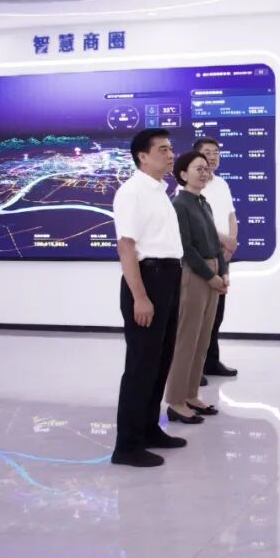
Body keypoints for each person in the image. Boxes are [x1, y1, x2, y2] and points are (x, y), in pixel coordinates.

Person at [111, 129, 187, 467]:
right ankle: (127, 446)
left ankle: (149, 429)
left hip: (168, 277)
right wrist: (140, 297)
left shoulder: (160, 192)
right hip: (148, 280)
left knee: (160, 361)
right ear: (142, 156)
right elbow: (126, 247)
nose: (171, 155)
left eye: (171, 149)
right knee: (141, 366)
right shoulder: (132, 192)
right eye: (163, 149)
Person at [164, 151, 229, 424]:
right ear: (182, 174)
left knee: (202, 339)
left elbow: (215, 241)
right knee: (187, 340)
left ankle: (191, 395)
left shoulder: (203, 202)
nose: (204, 173)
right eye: (198, 168)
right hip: (195, 273)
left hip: (213, 271)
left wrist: (223, 272)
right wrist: (209, 275)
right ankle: (176, 401)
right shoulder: (180, 205)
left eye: (206, 168)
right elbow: (186, 247)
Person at [195, 138, 239, 379]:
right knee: (200, 315)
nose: (212, 157)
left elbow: (231, 215)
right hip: (203, 256)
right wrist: (224, 240)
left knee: (216, 313)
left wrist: (231, 242)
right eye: (207, 152)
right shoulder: (190, 186)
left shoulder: (222, 184)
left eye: (216, 152)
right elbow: (199, 223)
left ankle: (211, 362)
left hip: (223, 255)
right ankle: (195, 367)